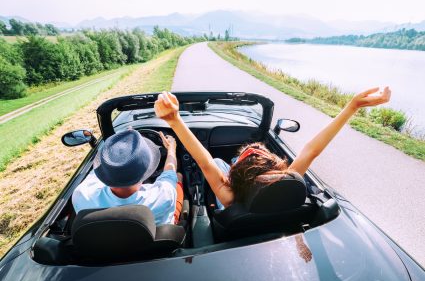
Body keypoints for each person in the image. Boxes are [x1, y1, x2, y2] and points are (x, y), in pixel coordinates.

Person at [154, 88, 391, 209]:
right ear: (276, 169)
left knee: (216, 163)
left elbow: (205, 161)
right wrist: (352, 106)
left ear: (235, 177)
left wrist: (174, 120)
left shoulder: (230, 198)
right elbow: (312, 150)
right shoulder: (288, 184)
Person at [72, 129, 184, 225]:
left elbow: (96, 171)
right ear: (147, 170)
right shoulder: (164, 195)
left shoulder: (81, 195)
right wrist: (171, 149)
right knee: (178, 176)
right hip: (156, 243)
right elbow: (170, 172)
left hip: (109, 245)